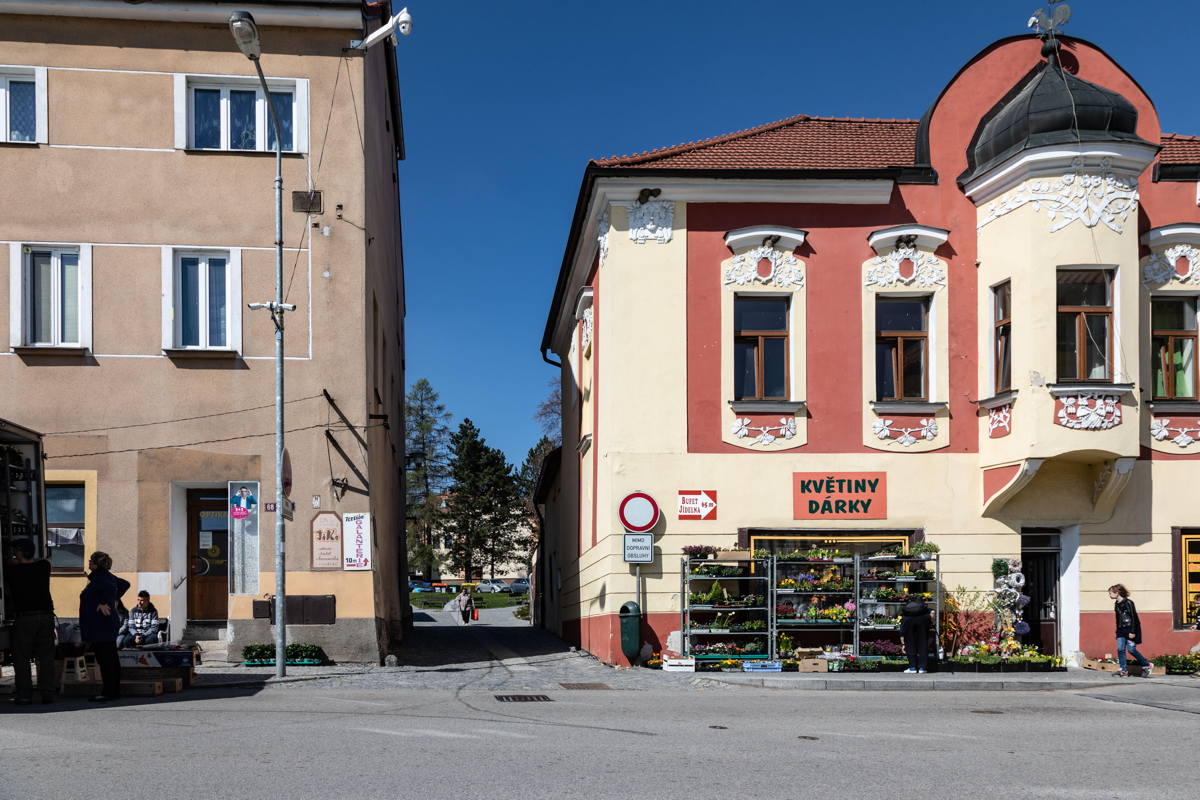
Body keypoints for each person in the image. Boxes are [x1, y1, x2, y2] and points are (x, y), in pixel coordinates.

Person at [3, 539, 56, 705]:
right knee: (46, 657)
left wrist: (13, 559)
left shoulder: (13, 571)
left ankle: (25, 694)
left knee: (22, 658)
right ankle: (47, 693)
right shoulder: (43, 568)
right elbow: (45, 560)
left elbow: (8, 563)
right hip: (46, 616)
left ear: (19, 553)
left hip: (25, 618)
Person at [79, 551, 130, 702]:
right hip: (105, 624)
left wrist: (103, 602)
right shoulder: (106, 576)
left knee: (106, 659)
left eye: (90, 561)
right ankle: (113, 690)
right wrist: (114, 598)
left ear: (96, 564)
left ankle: (109, 692)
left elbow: (108, 589)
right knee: (110, 658)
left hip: (100, 625)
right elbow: (124, 584)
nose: (88, 563)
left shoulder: (100, 578)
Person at [1109, 584, 1152, 677]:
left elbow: (1134, 617)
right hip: (1121, 630)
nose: (1110, 595)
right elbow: (1118, 618)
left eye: (1111, 593)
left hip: (1130, 629)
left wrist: (1132, 631)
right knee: (1120, 649)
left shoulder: (1129, 603)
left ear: (1117, 592)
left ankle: (1147, 664)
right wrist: (1118, 630)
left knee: (1131, 650)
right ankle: (1124, 670)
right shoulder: (1116, 604)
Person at [899, 595, 932, 674]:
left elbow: (902, 627)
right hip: (922, 620)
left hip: (908, 621)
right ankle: (922, 668)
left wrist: (903, 643)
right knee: (923, 644)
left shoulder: (908, 607)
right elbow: (931, 616)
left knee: (910, 644)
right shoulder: (923, 607)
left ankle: (912, 668)